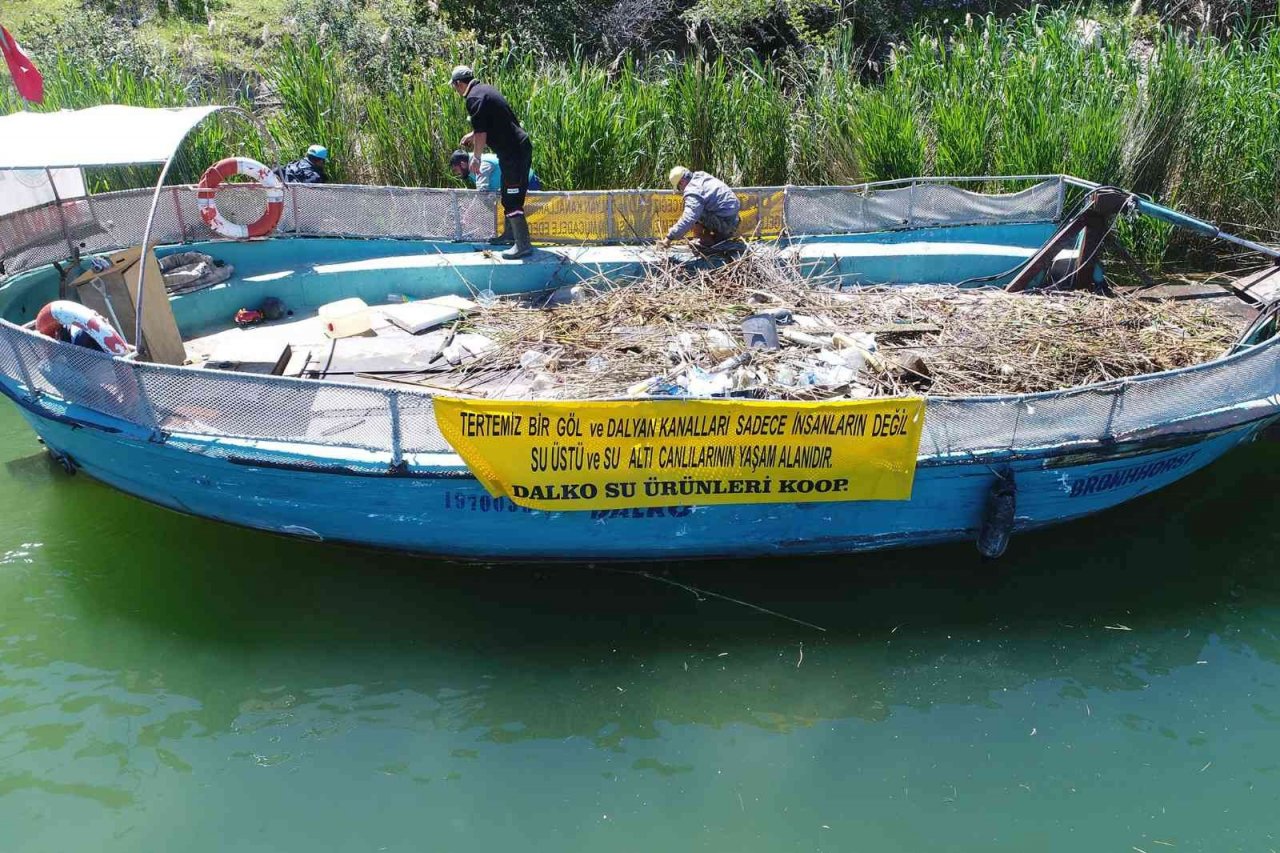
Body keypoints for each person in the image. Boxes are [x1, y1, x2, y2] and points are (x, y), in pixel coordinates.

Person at [450, 65, 535, 260]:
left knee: (512, 198)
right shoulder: (486, 90)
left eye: (455, 87)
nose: (456, 90)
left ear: (459, 83)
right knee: (508, 194)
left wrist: (477, 157)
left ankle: (523, 246)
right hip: (514, 151)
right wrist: (473, 134)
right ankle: (510, 235)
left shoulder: (473, 98)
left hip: (514, 153)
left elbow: (482, 132)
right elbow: (492, 123)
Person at [449, 150, 542, 244]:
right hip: (516, 183)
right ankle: (511, 236)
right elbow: (482, 195)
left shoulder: (481, 165)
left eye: (456, 170)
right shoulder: (473, 165)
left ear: (463, 164)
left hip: (528, 182)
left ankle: (513, 238)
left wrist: (470, 214)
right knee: (509, 204)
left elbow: (482, 193)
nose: (457, 174)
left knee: (513, 206)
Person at [656, 165, 741, 253]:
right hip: (734, 221)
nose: (680, 190)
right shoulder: (701, 176)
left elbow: (689, 218)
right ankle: (708, 239)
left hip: (726, 226)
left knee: (695, 212)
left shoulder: (693, 190)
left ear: (682, 182)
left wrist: (669, 238)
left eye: (678, 187)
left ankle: (703, 240)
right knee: (700, 208)